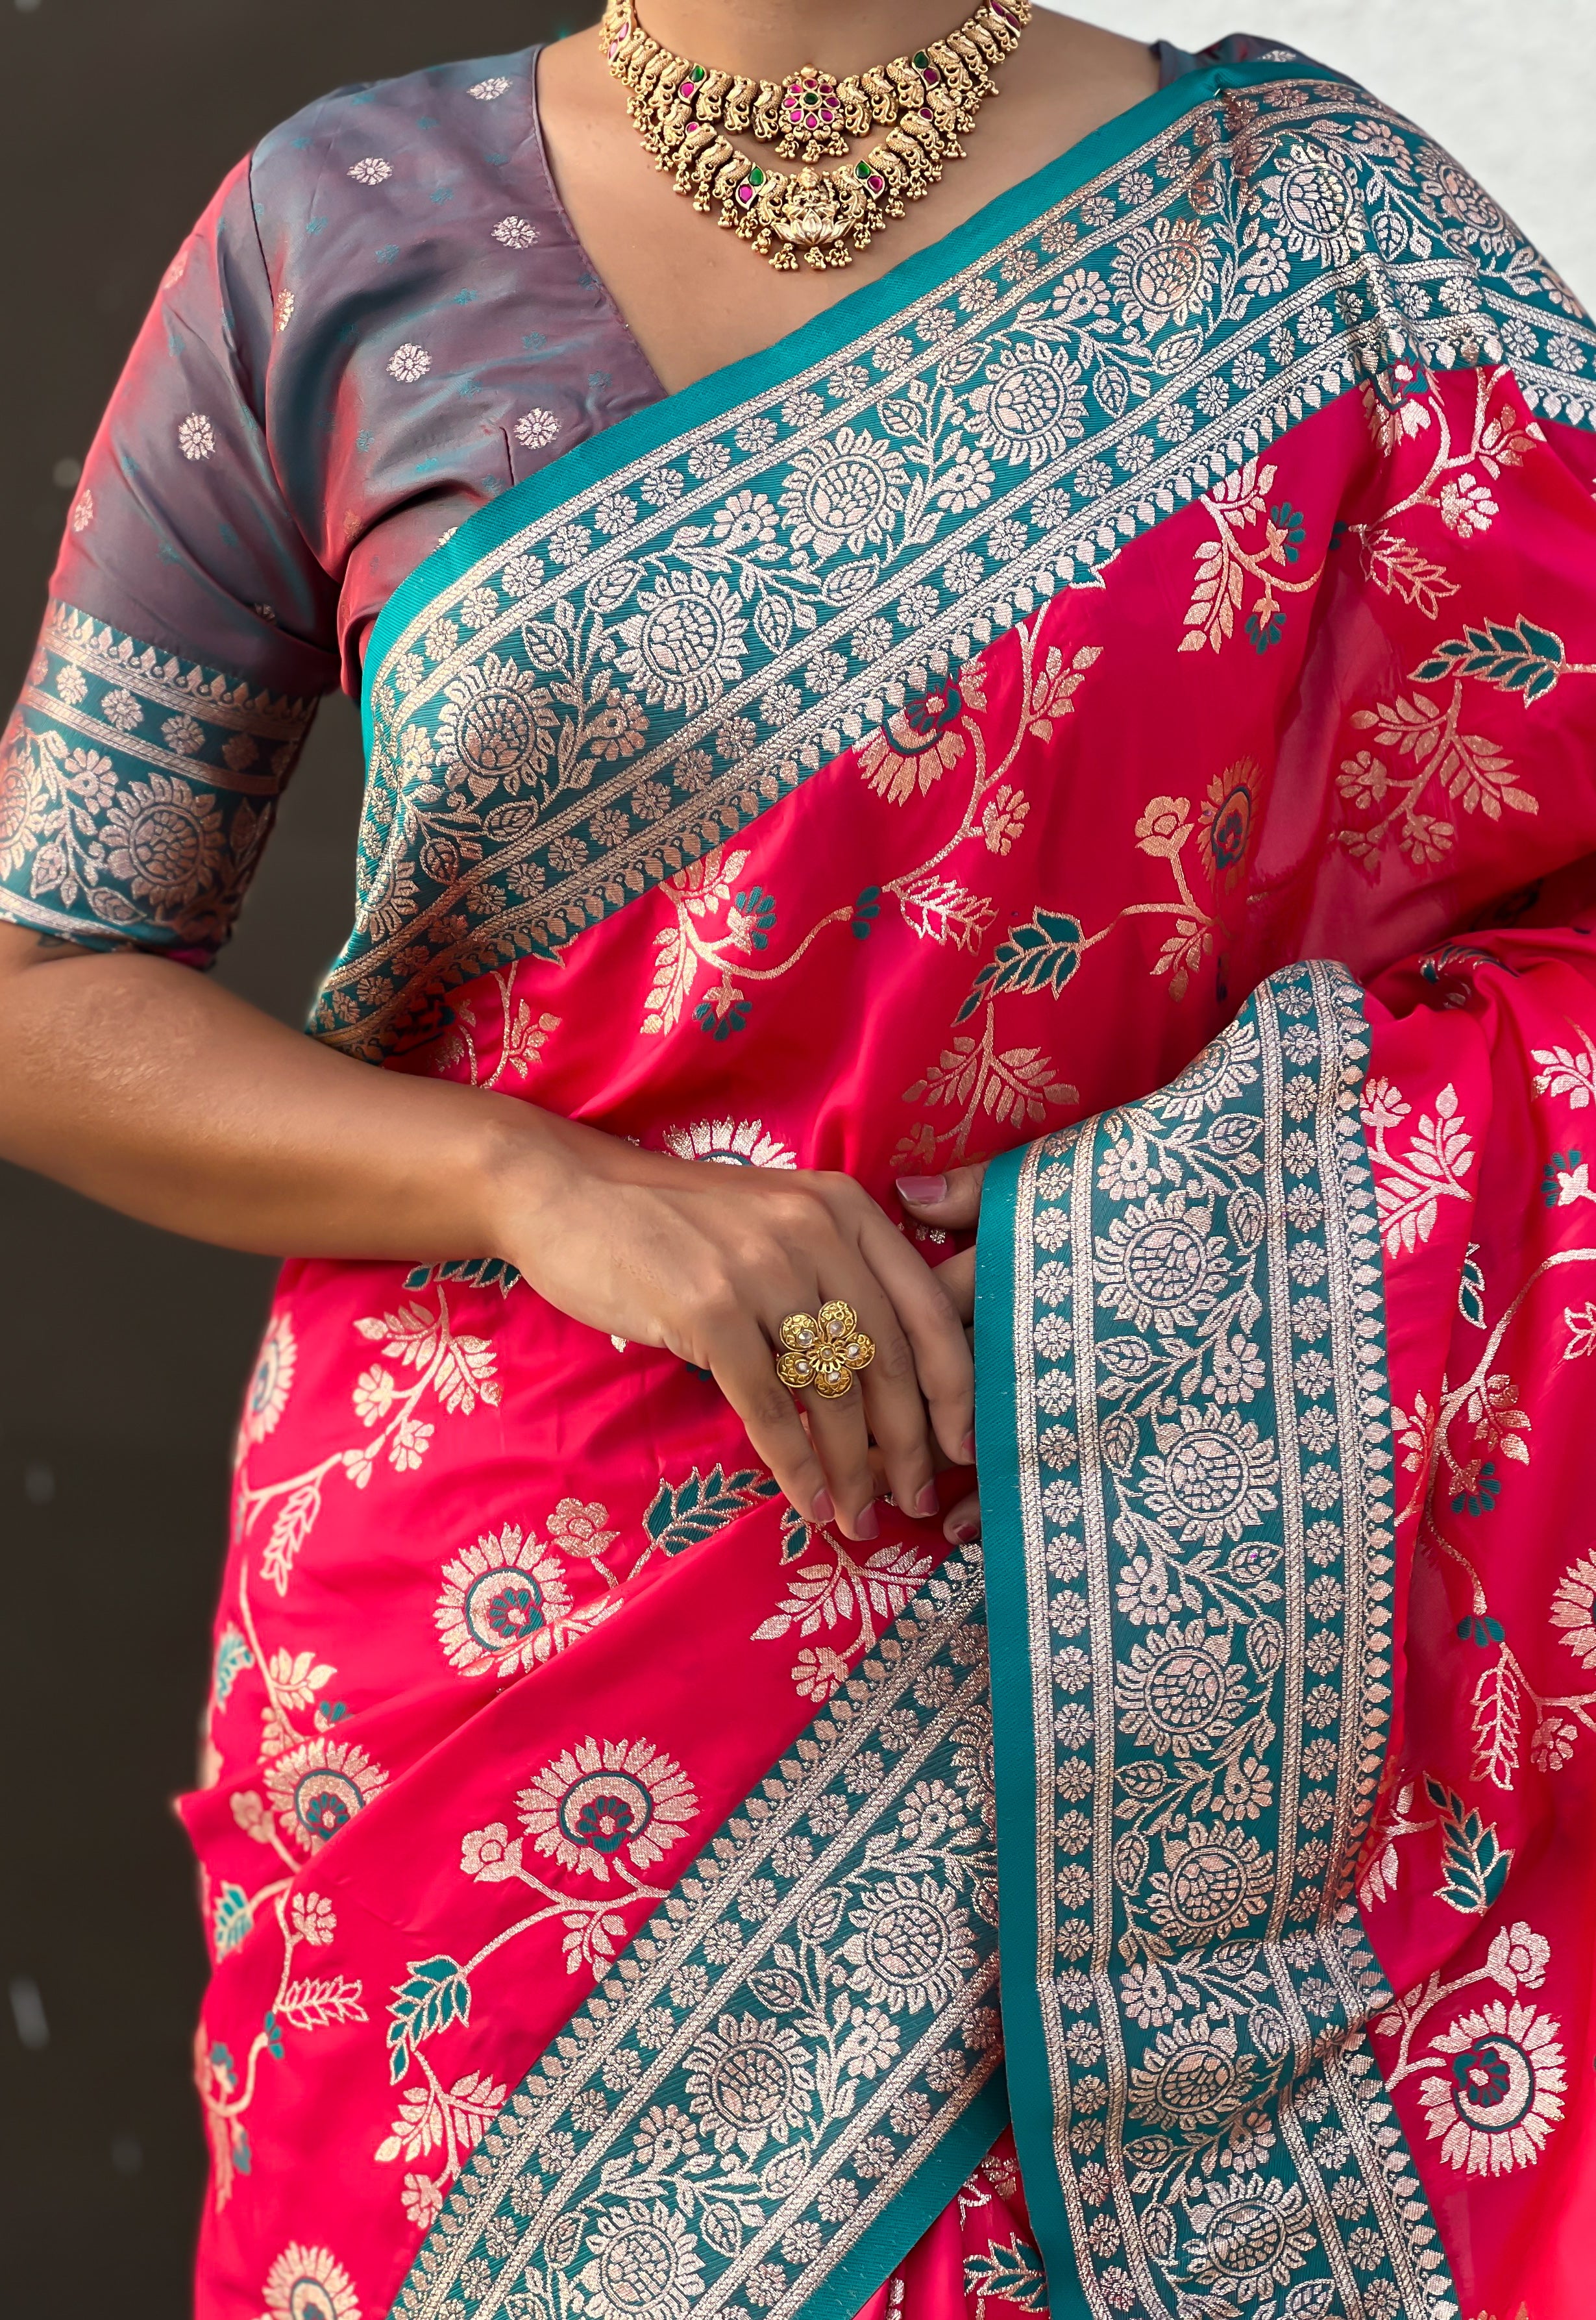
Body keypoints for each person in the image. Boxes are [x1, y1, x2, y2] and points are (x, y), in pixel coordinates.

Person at [3, 2, 1595, 2312]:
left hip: (1185, 1680)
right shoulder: (333, 235)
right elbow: (48, 984)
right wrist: (536, 1186)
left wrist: (1139, 1249)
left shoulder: (1322, 233)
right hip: (497, 1674)